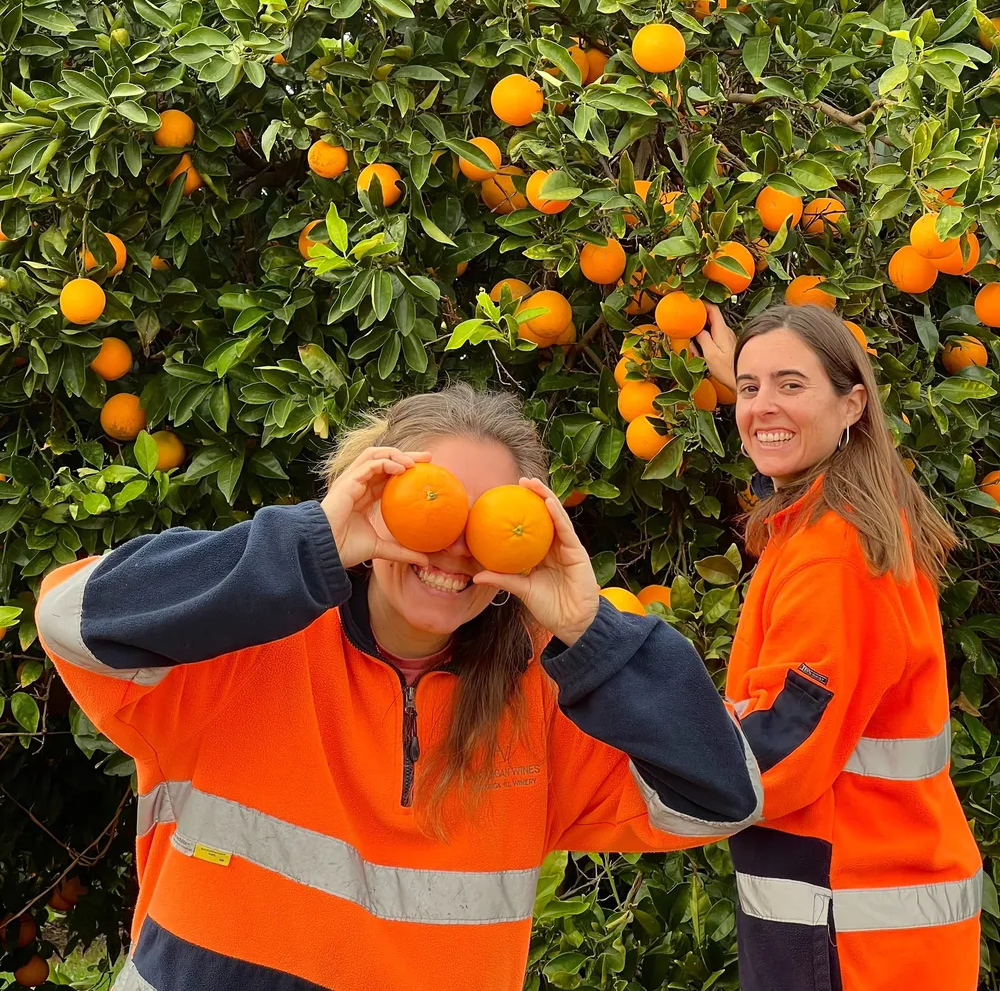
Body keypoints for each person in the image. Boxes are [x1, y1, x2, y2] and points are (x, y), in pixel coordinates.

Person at [36, 384, 762, 991]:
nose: (455, 547)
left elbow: (721, 797)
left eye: (485, 520)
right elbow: (67, 619)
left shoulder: (540, 690)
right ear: (375, 496)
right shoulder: (249, 634)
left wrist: (590, 628)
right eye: (433, 505)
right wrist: (306, 546)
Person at [691, 304, 983, 991]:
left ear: (852, 405)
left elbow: (775, 754)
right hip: (883, 911)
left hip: (847, 922)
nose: (761, 405)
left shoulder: (833, 556)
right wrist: (766, 396)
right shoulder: (851, 512)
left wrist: (631, 719)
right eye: (751, 387)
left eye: (791, 384)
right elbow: (789, 462)